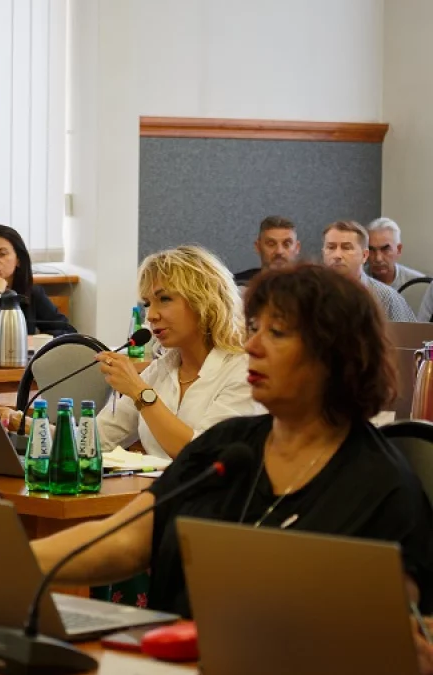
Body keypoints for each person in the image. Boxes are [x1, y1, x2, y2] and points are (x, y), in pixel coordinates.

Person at [29, 264, 433, 619]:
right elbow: (125, 539)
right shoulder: (227, 446)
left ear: (335, 354)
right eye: (253, 328)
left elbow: (384, 632)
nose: (252, 346)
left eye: (277, 333)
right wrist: (17, 561)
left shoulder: (382, 485)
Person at [93, 246, 262, 459]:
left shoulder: (245, 372)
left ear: (203, 301)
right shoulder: (161, 370)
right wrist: (52, 430)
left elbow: (202, 456)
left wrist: (140, 393)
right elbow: (97, 440)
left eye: (164, 299)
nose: (151, 315)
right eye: (147, 304)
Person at [0, 224, 75, 336]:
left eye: (2, 254)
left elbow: (67, 331)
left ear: (18, 259)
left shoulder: (32, 293)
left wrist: (36, 339)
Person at [322, 220, 415, 322]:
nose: (337, 255)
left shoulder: (386, 298)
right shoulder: (314, 293)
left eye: (346, 248)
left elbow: (409, 332)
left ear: (364, 255)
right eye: (331, 247)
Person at [233, 216, 301, 285]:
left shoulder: (306, 286)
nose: (279, 251)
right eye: (271, 244)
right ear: (258, 247)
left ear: (297, 248)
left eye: (286, 244)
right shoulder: (234, 286)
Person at [367, 217, 425, 291]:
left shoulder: (419, 284)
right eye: (371, 250)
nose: (378, 258)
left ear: (399, 249)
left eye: (385, 249)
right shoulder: (355, 280)